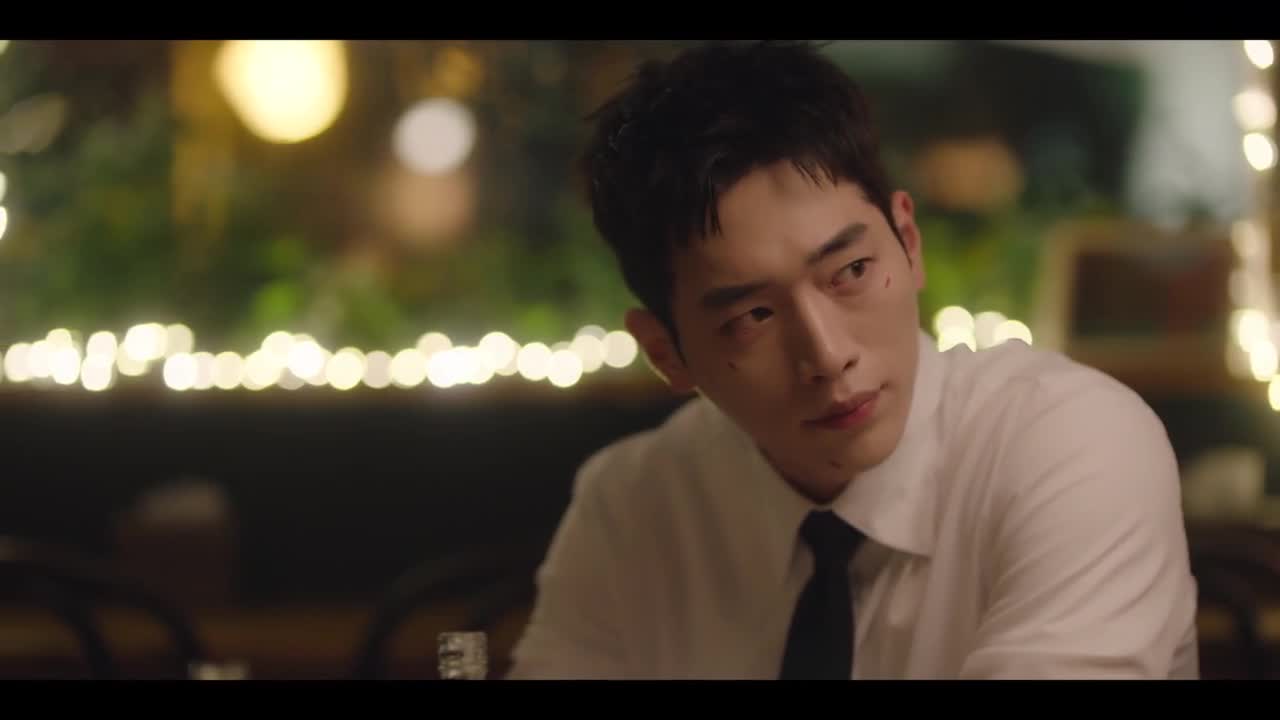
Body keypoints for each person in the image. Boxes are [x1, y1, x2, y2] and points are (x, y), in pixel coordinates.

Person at [506, 40, 1200, 680]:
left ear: (908, 241)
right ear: (666, 352)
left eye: (851, 272)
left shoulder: (1073, 444)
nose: (828, 355)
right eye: (752, 318)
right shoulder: (634, 507)